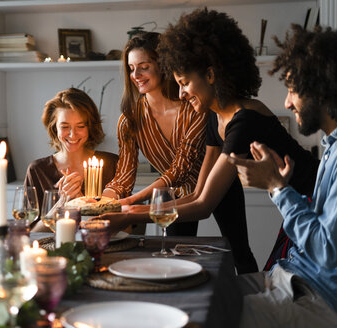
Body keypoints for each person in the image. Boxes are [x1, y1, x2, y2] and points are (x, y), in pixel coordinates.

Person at [102, 9, 319, 273]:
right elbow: (197, 194)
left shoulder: (244, 120)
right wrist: (132, 210)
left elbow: (204, 205)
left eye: (184, 83)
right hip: (294, 203)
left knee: (270, 276)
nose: (180, 94)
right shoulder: (213, 117)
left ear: (211, 75)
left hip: (316, 202)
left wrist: (129, 213)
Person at [227, 25, 337, 328]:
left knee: (205, 315)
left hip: (322, 299)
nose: (286, 102)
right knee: (202, 292)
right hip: (292, 278)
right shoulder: (335, 144)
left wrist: (277, 186)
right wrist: (282, 189)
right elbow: (325, 229)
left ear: (319, 88)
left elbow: (327, 251)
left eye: (293, 89)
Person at [102, 31, 208, 237]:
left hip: (214, 186)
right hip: (172, 193)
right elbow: (123, 175)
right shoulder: (129, 119)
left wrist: (132, 201)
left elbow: (181, 169)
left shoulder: (193, 107)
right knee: (175, 251)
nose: (136, 76)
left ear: (163, 65)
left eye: (144, 67)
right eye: (131, 69)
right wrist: (103, 202)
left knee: (239, 251)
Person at [25, 88, 118, 227]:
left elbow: (126, 227)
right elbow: (31, 233)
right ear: (54, 127)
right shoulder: (37, 170)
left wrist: (82, 204)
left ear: (90, 126)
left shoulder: (112, 164)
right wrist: (63, 202)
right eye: (65, 126)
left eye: (80, 126)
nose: (73, 135)